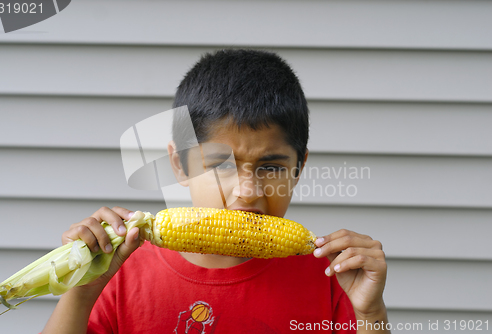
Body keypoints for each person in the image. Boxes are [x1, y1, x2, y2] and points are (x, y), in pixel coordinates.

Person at [42, 49, 389, 333]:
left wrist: (370, 312)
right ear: (179, 165)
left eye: (271, 167)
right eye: (221, 165)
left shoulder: (330, 278)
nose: (248, 192)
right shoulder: (116, 273)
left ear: (298, 168)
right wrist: (80, 293)